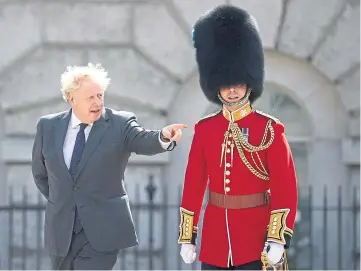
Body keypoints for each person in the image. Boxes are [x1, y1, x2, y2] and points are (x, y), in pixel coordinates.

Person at [31, 63, 187, 270]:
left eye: (100, 95)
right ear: (71, 98)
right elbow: (40, 174)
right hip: (61, 232)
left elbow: (142, 139)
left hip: (101, 233)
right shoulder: (48, 126)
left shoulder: (119, 123)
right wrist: (64, 198)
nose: (97, 102)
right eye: (90, 97)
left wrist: (163, 136)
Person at [177, 5, 298, 270]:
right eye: (225, 83)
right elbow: (194, 184)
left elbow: (284, 186)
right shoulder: (205, 129)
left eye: (239, 82)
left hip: (255, 237)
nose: (232, 90)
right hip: (215, 237)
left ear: (249, 83)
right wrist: (188, 235)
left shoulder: (269, 129)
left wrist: (277, 238)